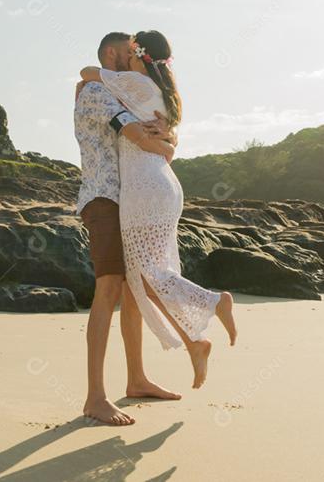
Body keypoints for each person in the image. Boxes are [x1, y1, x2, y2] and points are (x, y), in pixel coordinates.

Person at [79, 30, 237, 390]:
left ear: (139, 56)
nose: (125, 59)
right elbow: (162, 136)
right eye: (121, 52)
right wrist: (167, 143)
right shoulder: (164, 94)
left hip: (142, 189)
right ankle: (173, 356)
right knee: (141, 280)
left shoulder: (130, 82)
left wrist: (161, 144)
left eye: (130, 52)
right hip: (160, 186)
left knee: (148, 276)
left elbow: (89, 73)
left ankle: (213, 302)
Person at [73, 32, 181, 426]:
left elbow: (157, 130)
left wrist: (167, 136)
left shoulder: (121, 93)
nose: (134, 59)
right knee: (110, 286)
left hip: (128, 200)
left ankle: (136, 379)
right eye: (128, 52)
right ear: (111, 54)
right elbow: (136, 134)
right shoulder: (96, 92)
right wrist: (164, 144)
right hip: (104, 198)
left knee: (134, 289)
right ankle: (95, 397)